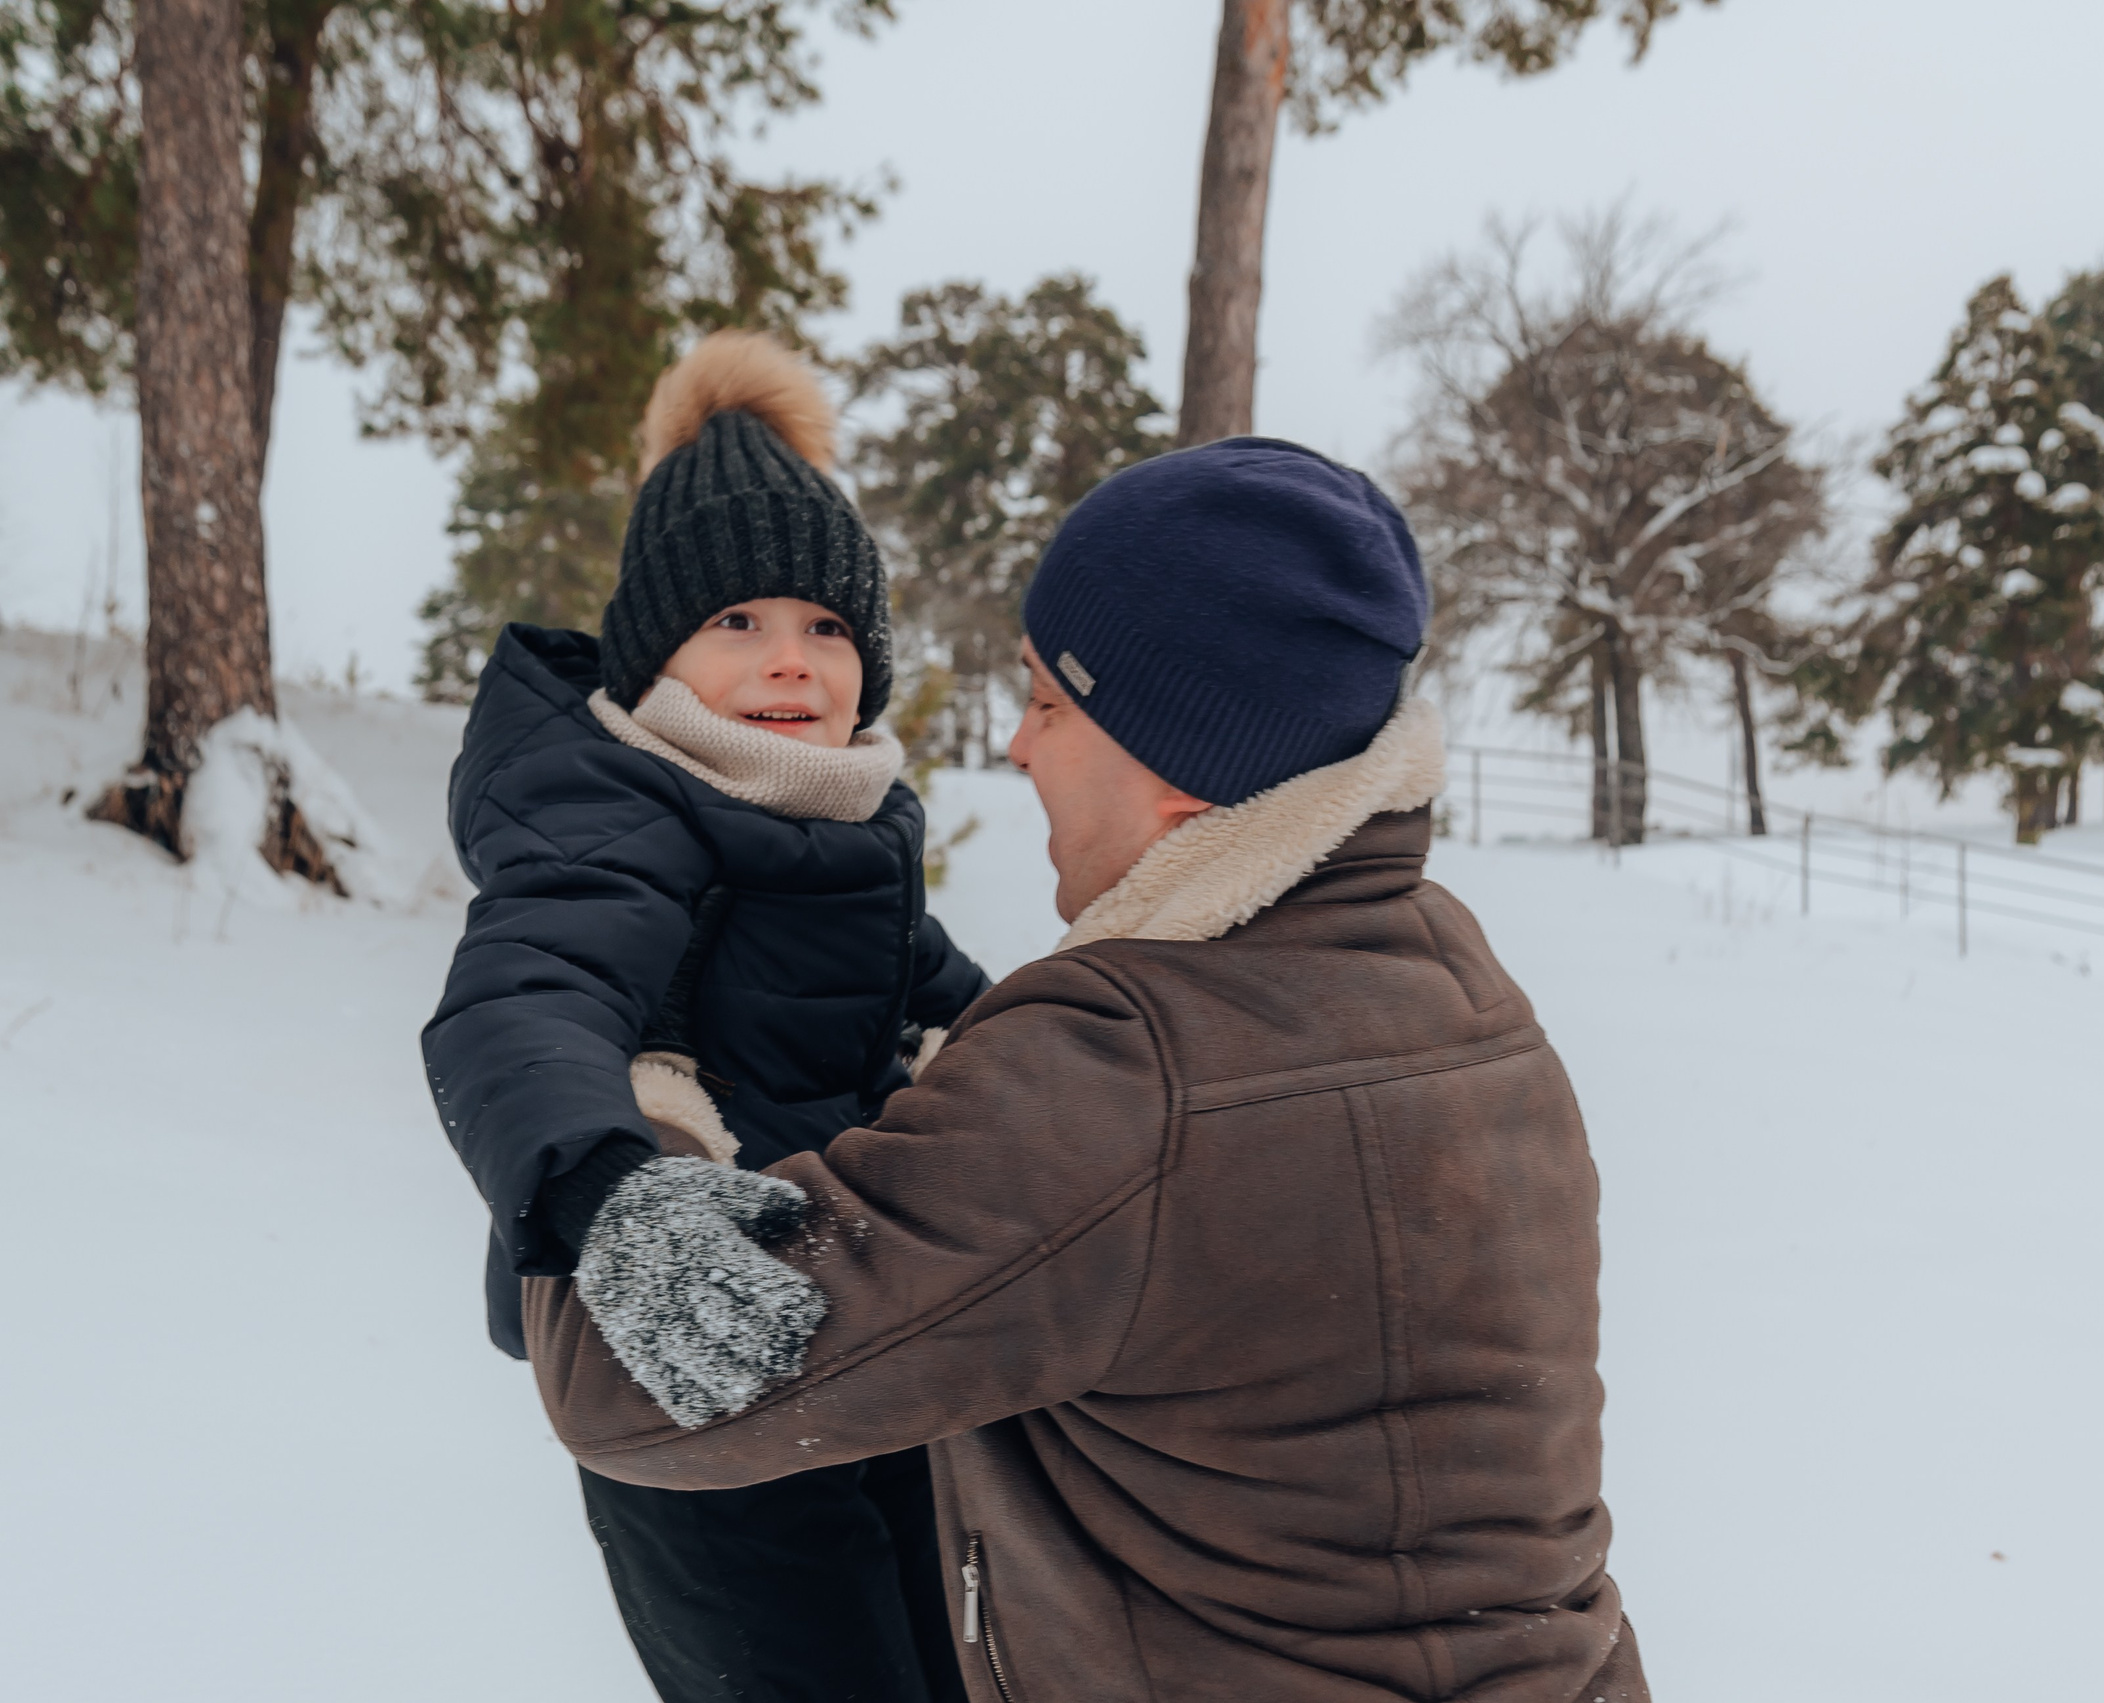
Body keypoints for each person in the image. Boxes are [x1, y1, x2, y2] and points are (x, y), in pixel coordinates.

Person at [523, 436, 1652, 1702]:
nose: (1017, 744)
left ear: (1174, 761)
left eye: (1049, 701)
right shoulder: (1463, 995)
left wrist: (649, 1088)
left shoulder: (1117, 1077)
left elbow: (623, 1388)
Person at [423, 332, 989, 1703]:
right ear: (656, 652)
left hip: (863, 1331)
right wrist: (606, 1188)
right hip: (685, 1352)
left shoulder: (850, 822)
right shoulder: (613, 810)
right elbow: (528, 993)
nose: (790, 660)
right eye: (738, 620)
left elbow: (955, 1004)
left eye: (826, 626)